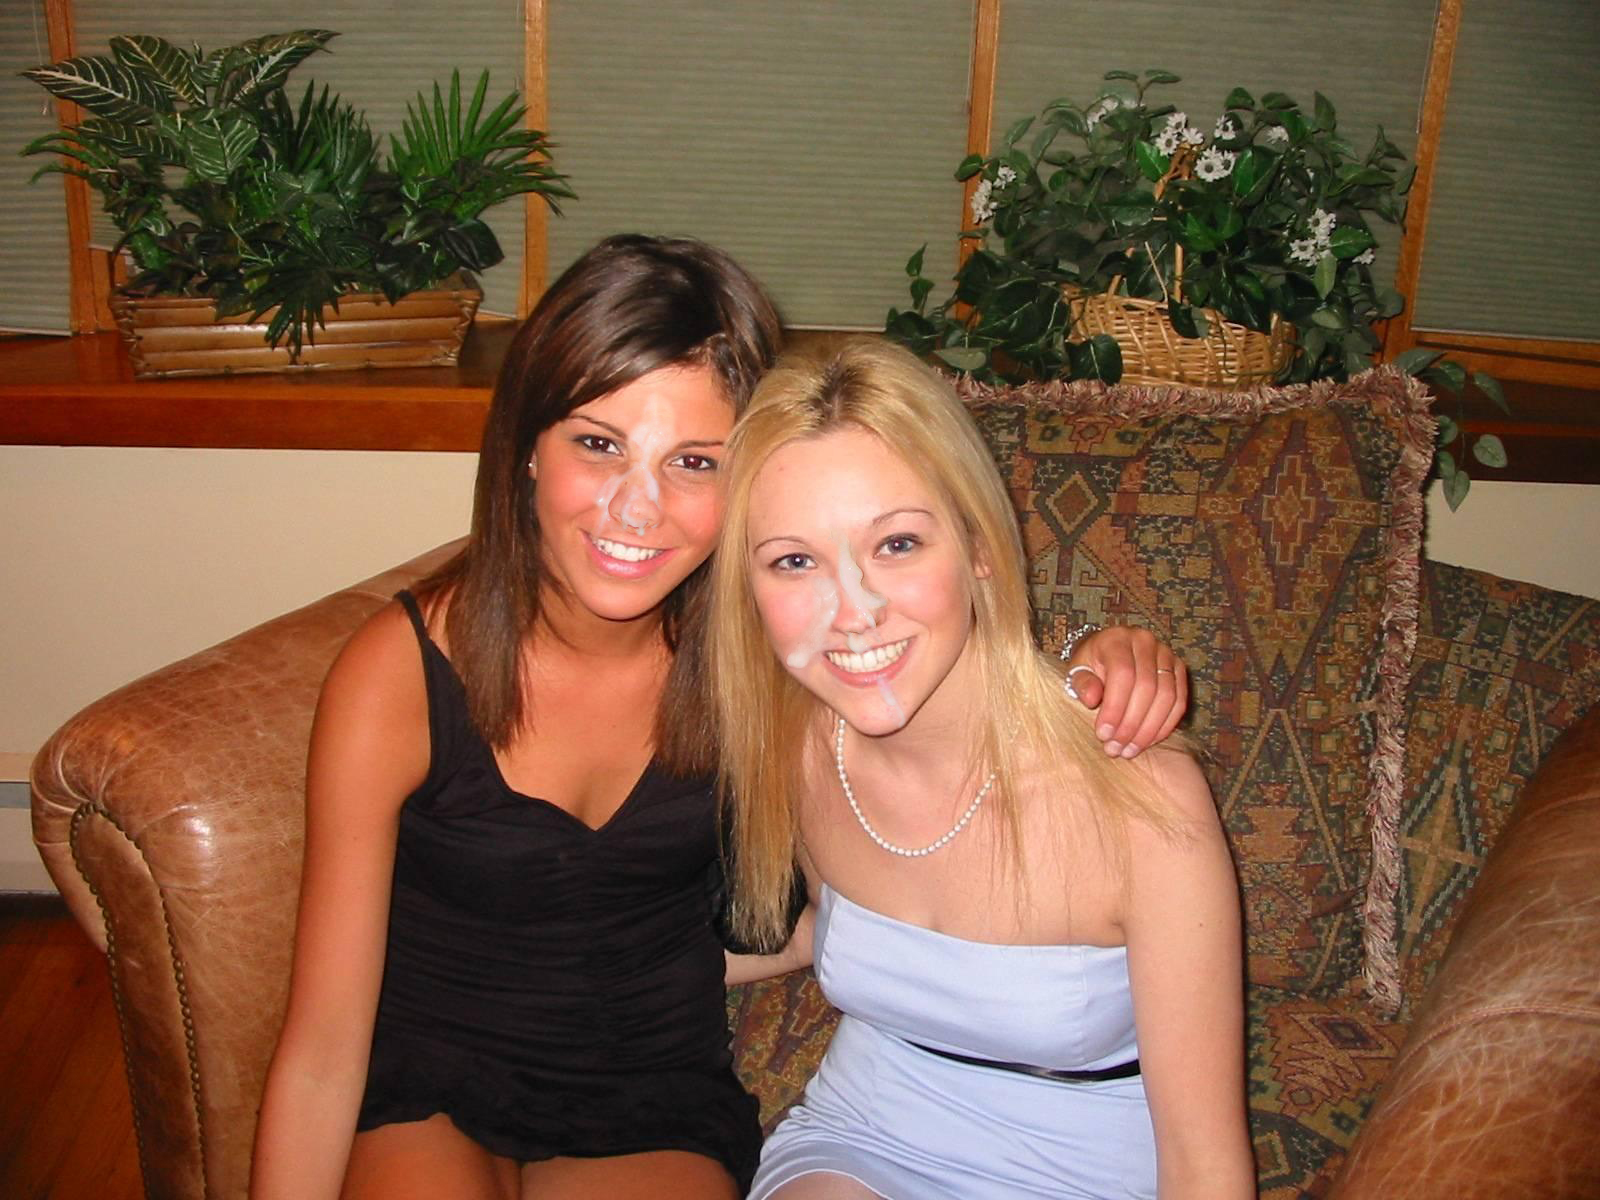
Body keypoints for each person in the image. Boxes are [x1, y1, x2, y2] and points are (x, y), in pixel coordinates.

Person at [250, 236, 1188, 1200]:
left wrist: (1092, 655)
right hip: (430, 1087)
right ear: (526, 444)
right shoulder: (400, 676)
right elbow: (320, 1052)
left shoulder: (761, 654)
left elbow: (931, 660)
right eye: (598, 444)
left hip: (647, 1097)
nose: (637, 508)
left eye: (694, 461)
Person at [710, 338, 1252, 1199]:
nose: (852, 612)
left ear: (979, 546)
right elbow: (835, 932)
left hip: (1087, 1172)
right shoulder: (798, 746)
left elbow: (1206, 1165)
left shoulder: (1135, 792)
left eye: (896, 544)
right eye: (794, 561)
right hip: (863, 1136)